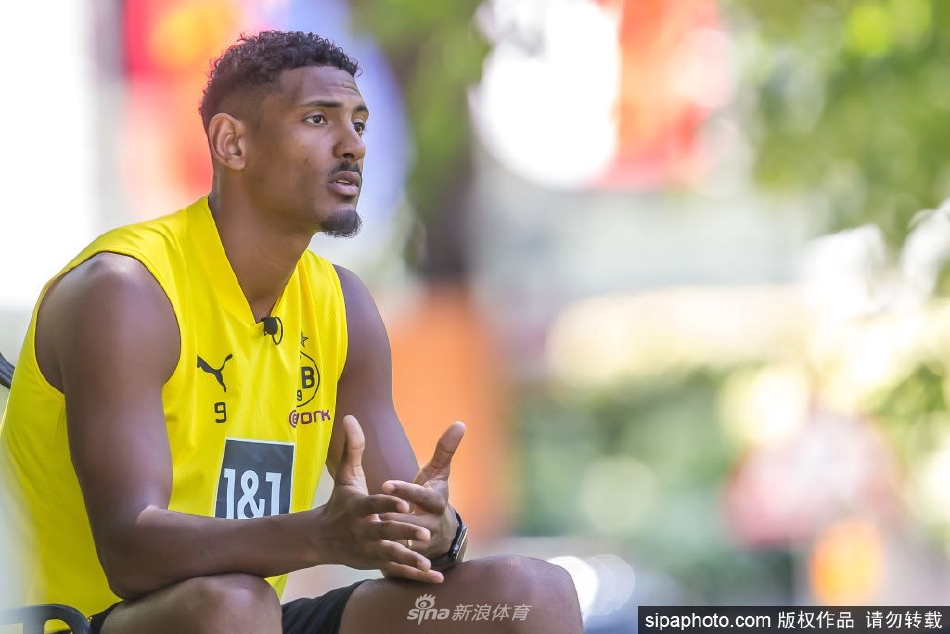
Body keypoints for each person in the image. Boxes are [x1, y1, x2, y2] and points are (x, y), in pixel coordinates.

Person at [0, 30, 583, 633]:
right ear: (232, 143)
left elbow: (400, 536)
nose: (352, 144)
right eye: (317, 119)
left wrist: (437, 531)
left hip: (247, 617)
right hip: (77, 622)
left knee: (533, 593)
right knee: (235, 603)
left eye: (359, 123)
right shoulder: (126, 291)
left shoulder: (343, 306)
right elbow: (130, 552)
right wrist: (319, 536)